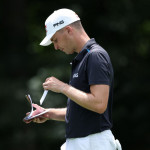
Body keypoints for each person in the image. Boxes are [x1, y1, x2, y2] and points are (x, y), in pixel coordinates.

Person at [24, 8, 122, 150]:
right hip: (85, 142)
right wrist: (48, 113)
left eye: (55, 40)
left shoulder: (95, 56)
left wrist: (63, 87)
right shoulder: (83, 59)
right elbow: (82, 111)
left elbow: (99, 104)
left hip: (93, 143)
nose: (56, 47)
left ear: (69, 30)